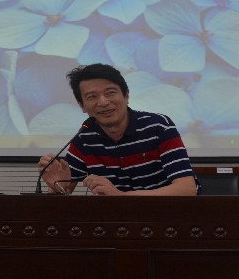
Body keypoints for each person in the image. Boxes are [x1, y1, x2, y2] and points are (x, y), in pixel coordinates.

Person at [37, 64, 198, 196]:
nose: (103, 102)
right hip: (116, 220)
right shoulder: (84, 138)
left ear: (126, 96)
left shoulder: (158, 126)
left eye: (110, 93)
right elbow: (63, 194)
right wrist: (57, 187)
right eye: (92, 97)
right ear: (82, 106)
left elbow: (186, 189)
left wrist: (120, 196)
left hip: (168, 216)